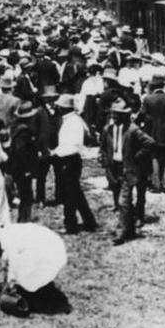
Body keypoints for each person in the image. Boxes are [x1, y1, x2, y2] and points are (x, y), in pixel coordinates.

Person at [102, 98, 155, 245]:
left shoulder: (132, 129)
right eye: (113, 114)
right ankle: (130, 228)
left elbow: (149, 143)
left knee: (123, 201)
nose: (114, 117)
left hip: (128, 168)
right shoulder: (108, 129)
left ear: (124, 115)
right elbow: (103, 149)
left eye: (117, 114)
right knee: (121, 199)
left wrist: (136, 157)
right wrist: (106, 164)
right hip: (114, 169)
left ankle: (121, 232)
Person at [52, 94, 97, 234]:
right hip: (68, 158)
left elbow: (72, 145)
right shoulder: (71, 120)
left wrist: (55, 153)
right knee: (76, 193)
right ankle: (89, 221)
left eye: (59, 106)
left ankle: (70, 224)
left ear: (65, 108)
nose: (57, 108)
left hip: (69, 160)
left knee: (69, 194)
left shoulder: (73, 122)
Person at [141, 76, 165, 192]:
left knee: (154, 157)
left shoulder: (148, 99)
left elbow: (143, 116)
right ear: (163, 86)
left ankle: (156, 184)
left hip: (153, 132)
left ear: (152, 87)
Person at [8, 101, 41, 222]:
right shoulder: (24, 131)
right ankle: (24, 220)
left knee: (25, 195)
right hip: (22, 169)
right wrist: (27, 169)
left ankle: (24, 219)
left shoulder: (16, 127)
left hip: (17, 168)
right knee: (26, 196)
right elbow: (21, 151)